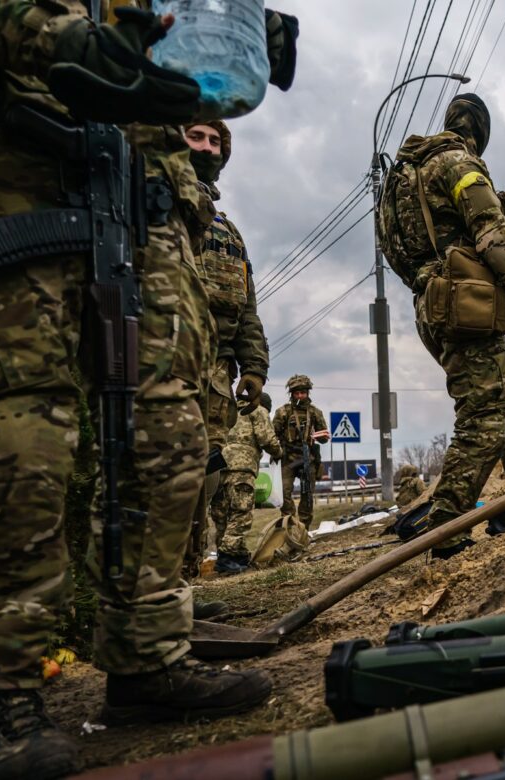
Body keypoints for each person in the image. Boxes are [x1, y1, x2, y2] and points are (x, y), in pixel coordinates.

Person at [0, 4, 296, 778]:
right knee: (16, 431)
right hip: (13, 166)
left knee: (170, 434)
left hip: (143, 192)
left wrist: (236, 39)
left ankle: (146, 660)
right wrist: (64, 41)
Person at [379, 94, 505, 559]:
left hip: (433, 308)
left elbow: (396, 256)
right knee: (483, 418)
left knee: (502, 401)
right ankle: (446, 527)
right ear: (479, 132)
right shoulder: (459, 164)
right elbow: (495, 236)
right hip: (468, 305)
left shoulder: (398, 182)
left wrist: (431, 283)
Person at [182, 119, 269, 576]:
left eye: (215, 141)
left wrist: (254, 368)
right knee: (169, 472)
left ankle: (188, 579)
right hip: (164, 364)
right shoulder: (157, 206)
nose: (206, 147)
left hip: (217, 377)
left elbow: (248, 309)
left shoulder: (229, 234)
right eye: (196, 137)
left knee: (205, 477)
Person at [212, 392, 282, 574]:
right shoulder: (257, 410)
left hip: (216, 466)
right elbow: (267, 439)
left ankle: (237, 555)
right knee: (241, 514)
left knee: (221, 513)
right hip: (241, 467)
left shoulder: (225, 409)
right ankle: (226, 557)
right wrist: (278, 452)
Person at [272, 374, 329, 529]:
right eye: (297, 393)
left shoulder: (315, 412)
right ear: (291, 394)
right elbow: (272, 434)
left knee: (307, 496)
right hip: (287, 458)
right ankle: (289, 524)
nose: (300, 396)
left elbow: (324, 436)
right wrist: (277, 451)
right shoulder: (283, 412)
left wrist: (320, 436)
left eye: (303, 393)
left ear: (307, 393)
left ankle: (304, 528)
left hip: (307, 458)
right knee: (284, 493)